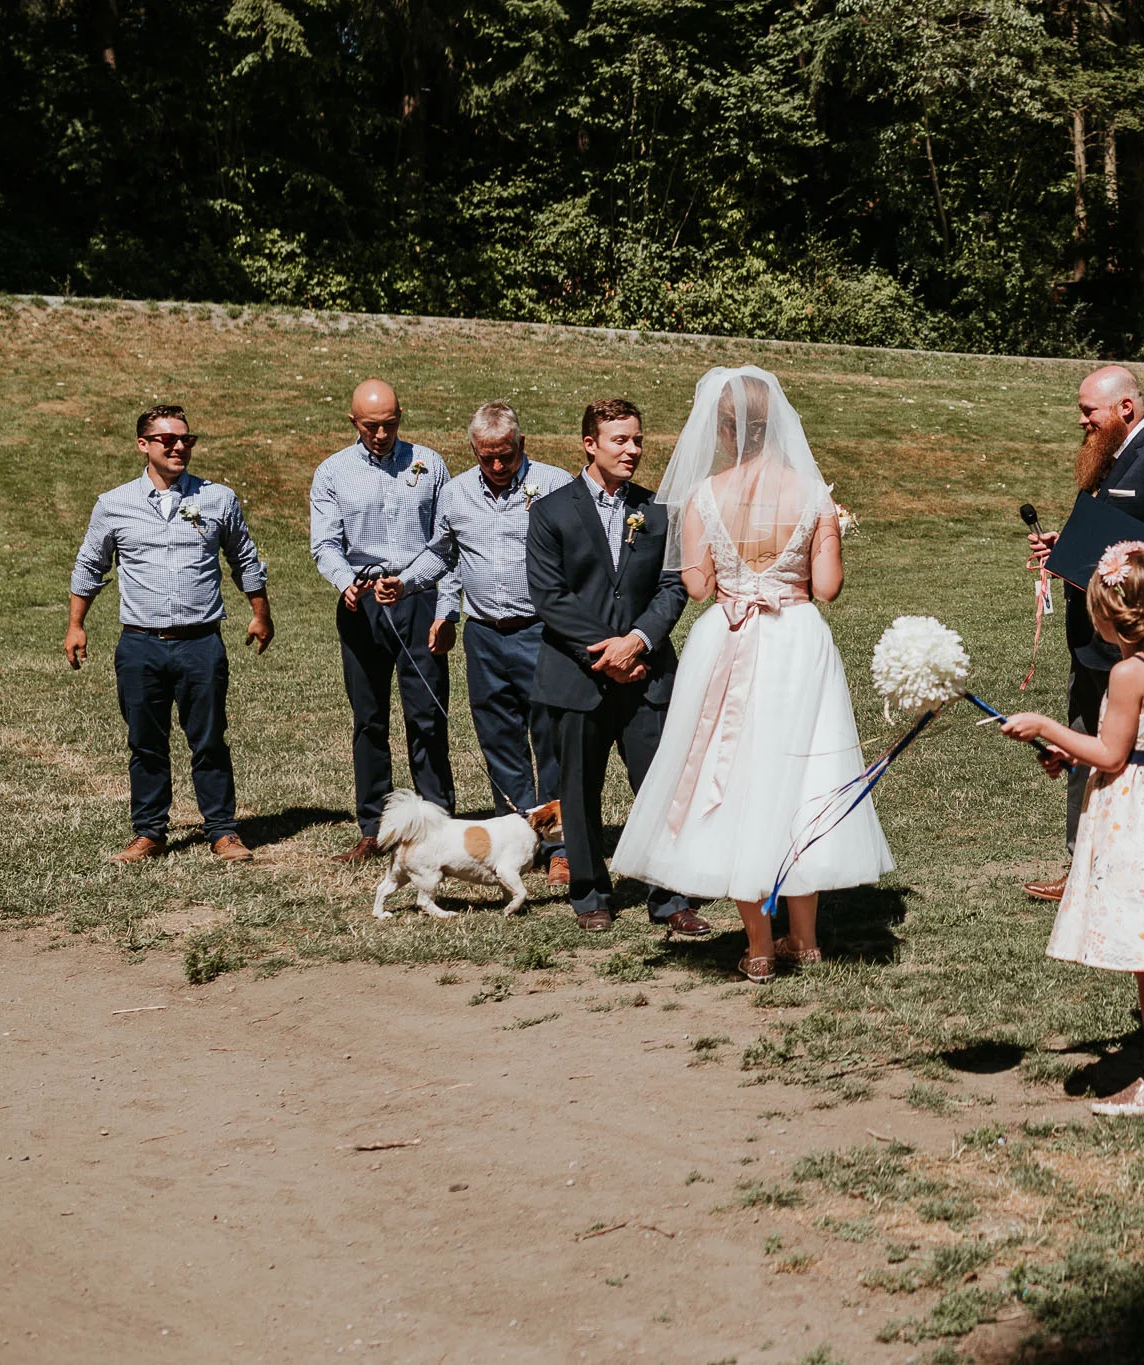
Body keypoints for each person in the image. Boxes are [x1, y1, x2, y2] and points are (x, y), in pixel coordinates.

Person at [611, 367, 893, 983]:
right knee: (803, 776)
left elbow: (698, 586)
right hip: (797, 639)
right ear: (779, 426)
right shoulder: (813, 495)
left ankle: (759, 946)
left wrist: (734, 573)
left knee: (735, 777)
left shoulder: (704, 496)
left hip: (730, 637)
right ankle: (805, 939)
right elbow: (827, 587)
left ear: (722, 429)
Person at [999, 543, 1144, 1117]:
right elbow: (1128, 746)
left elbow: (1113, 754)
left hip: (1130, 814)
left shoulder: (1125, 673)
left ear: (1110, 616)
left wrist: (1048, 726)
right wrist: (1071, 755)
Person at [1021, 365, 1144, 901]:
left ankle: (1139, 867)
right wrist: (1068, 547)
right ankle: (1085, 867)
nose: (1081, 420)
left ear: (1124, 408)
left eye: (1089, 410)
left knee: (1136, 760)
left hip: (1143, 638)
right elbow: (1117, 536)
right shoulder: (1111, 455)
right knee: (1085, 745)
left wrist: (1132, 585)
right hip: (1094, 639)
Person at [526, 398, 706, 937]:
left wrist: (637, 641)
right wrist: (607, 655)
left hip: (645, 674)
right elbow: (550, 596)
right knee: (579, 790)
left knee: (658, 787)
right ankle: (590, 894)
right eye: (620, 440)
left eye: (637, 440)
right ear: (590, 444)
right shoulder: (550, 511)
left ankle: (670, 897)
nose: (633, 450)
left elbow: (673, 585)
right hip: (577, 675)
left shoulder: (658, 511)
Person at [377, 401, 574, 882]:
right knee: (499, 738)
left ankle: (562, 847)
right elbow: (441, 554)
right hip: (484, 635)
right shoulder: (456, 493)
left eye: (507, 454)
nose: (499, 465)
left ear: (522, 444)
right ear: (474, 451)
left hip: (543, 631)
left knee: (552, 737)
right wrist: (405, 583)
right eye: (488, 457)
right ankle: (518, 841)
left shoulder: (554, 485)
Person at [66, 405, 273, 864]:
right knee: (145, 743)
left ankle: (222, 831)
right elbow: (90, 565)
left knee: (210, 739)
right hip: (140, 644)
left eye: (186, 439)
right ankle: (149, 833)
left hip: (201, 643)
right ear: (143, 445)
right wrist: (76, 625)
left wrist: (260, 613)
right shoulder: (114, 503)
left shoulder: (218, 498)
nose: (179, 447)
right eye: (168, 440)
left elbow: (244, 558)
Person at [309, 379, 458, 863]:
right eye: (371, 426)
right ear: (353, 422)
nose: (380, 434)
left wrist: (429, 596)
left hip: (417, 596)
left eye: (390, 424)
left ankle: (437, 824)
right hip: (361, 601)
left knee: (427, 715)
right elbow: (325, 543)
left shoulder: (429, 464)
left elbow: (447, 543)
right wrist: (344, 582)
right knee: (369, 719)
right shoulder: (332, 472)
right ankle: (374, 828)